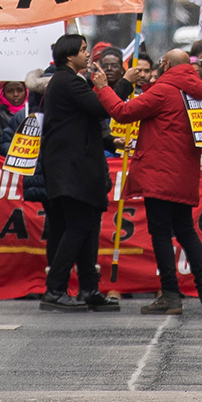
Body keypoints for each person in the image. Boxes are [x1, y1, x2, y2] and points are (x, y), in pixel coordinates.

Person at [95, 48, 202, 315]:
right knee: (186, 231)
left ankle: (171, 295)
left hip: (159, 173)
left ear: (164, 64)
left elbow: (122, 112)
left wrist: (105, 88)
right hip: (184, 173)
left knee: (161, 234)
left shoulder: (163, 90)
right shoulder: (196, 93)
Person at [37, 34, 117, 313]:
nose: (87, 54)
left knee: (87, 228)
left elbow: (85, 121)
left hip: (79, 168)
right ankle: (55, 289)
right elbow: (99, 107)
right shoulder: (67, 81)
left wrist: (110, 142)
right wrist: (120, 83)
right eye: (83, 50)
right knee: (77, 227)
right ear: (69, 56)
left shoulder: (69, 82)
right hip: (71, 170)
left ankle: (89, 288)